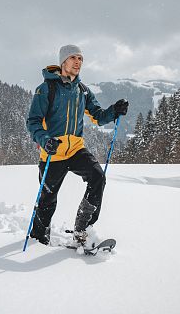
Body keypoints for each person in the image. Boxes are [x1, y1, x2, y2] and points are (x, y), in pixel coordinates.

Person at [26, 44, 129, 246]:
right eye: (73, 57)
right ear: (62, 61)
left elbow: (98, 116)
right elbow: (33, 122)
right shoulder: (46, 89)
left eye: (80, 58)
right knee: (47, 201)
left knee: (98, 177)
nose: (77, 62)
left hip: (75, 150)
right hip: (53, 153)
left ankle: (83, 229)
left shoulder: (82, 91)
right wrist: (45, 140)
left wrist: (114, 111)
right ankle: (38, 239)